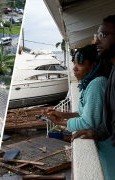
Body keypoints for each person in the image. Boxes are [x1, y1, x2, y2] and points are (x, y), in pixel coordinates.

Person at [43, 44, 115, 179]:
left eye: (80, 64)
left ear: (93, 65)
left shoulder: (97, 84)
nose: (74, 68)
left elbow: (88, 122)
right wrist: (61, 114)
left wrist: (59, 122)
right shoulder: (89, 83)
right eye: (74, 63)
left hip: (108, 148)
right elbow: (83, 111)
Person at [71, 15, 115, 179]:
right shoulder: (111, 75)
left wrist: (63, 121)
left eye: (103, 35)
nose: (96, 40)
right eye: (97, 35)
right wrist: (100, 132)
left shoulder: (98, 84)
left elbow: (89, 121)